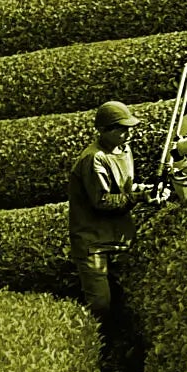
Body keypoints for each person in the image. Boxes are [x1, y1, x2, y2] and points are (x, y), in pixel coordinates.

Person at [67, 99, 141, 316]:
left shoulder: (124, 149)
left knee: (124, 298)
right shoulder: (93, 159)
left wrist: (147, 190)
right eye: (121, 130)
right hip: (93, 241)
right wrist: (138, 197)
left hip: (119, 236)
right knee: (100, 303)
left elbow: (125, 186)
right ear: (102, 131)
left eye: (130, 129)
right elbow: (103, 201)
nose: (128, 134)